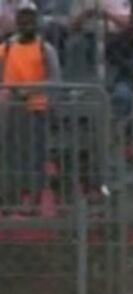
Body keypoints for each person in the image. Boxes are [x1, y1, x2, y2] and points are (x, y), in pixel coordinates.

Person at [0, 1, 61, 206]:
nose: (26, 22)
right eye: (22, 17)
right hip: (10, 111)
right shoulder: (6, 49)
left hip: (37, 111)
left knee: (35, 157)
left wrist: (30, 90)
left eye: (30, 17)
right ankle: (11, 197)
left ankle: (34, 198)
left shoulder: (45, 49)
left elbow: (55, 81)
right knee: (10, 155)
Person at [66, 0, 131, 81]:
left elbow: (125, 23)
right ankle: (78, 81)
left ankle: (113, 81)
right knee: (76, 44)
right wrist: (87, 14)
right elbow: (72, 25)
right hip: (87, 34)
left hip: (113, 35)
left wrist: (107, 14)